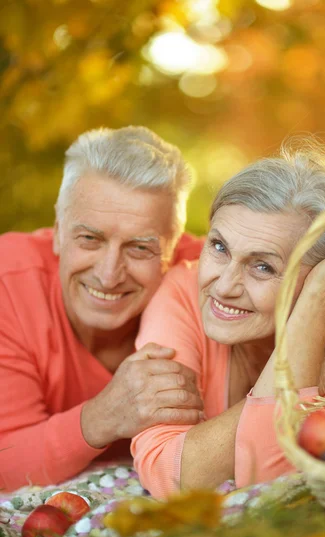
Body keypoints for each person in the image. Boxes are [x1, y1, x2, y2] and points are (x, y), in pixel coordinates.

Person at [131, 139, 325, 498]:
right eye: (219, 247)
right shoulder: (183, 292)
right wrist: (317, 371)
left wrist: (318, 304)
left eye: (263, 266)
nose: (223, 286)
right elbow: (170, 474)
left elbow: (266, 475)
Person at [0, 125, 206, 492]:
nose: (109, 275)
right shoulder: (8, 283)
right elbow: (5, 459)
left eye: (140, 248)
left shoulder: (213, 275)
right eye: (90, 239)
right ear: (60, 231)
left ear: (175, 247)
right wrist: (104, 416)